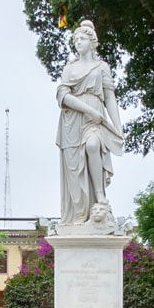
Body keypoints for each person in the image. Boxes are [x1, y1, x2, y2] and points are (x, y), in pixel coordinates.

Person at [56, 20, 123, 225]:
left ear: (92, 41)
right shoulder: (70, 68)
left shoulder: (102, 67)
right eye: (75, 39)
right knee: (74, 169)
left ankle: (100, 196)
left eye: (82, 38)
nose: (78, 42)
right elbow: (62, 97)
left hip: (95, 119)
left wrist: (118, 127)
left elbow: (110, 97)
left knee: (94, 144)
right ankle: (80, 214)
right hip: (73, 120)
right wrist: (89, 110)